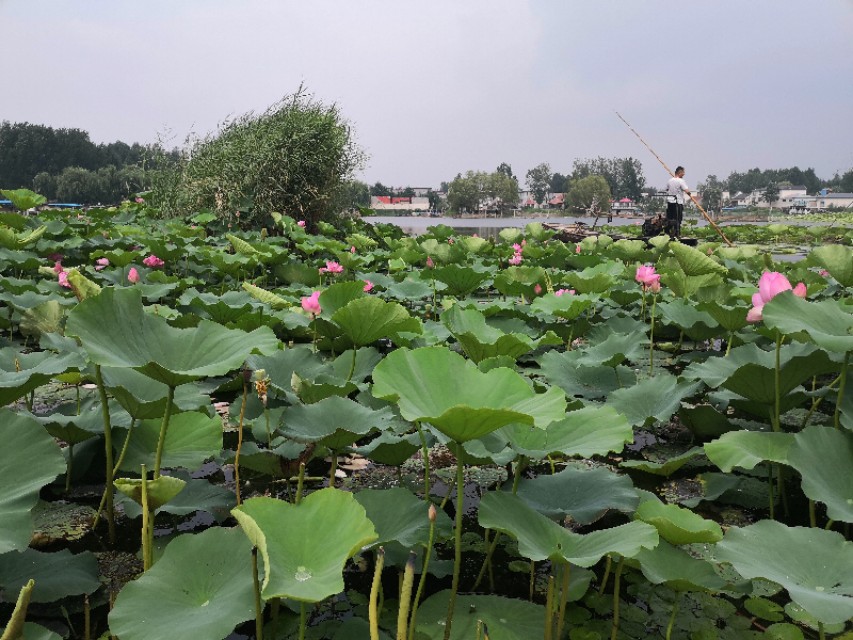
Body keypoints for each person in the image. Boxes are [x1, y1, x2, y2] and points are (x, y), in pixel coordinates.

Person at [666, 166, 691, 237]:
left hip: (670, 202)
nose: (684, 174)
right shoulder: (681, 181)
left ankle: (668, 233)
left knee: (670, 218)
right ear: (680, 173)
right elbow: (687, 191)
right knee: (678, 219)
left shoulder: (670, 180)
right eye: (683, 172)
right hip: (678, 202)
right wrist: (689, 194)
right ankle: (677, 233)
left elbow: (667, 189)